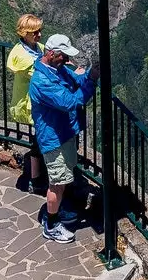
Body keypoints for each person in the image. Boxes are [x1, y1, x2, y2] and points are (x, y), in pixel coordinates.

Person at [28, 35, 98, 245]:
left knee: (64, 178)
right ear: (51, 54)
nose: (66, 59)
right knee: (57, 183)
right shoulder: (42, 82)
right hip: (54, 140)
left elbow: (77, 81)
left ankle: (59, 212)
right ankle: (51, 224)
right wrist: (92, 81)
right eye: (63, 55)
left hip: (64, 134)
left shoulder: (56, 70)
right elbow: (71, 101)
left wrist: (89, 75)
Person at [6, 13, 44, 192]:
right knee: (39, 139)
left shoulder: (39, 48)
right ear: (24, 33)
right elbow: (40, 73)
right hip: (28, 103)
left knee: (40, 137)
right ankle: (35, 180)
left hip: (38, 102)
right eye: (34, 32)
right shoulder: (21, 56)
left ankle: (37, 176)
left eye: (39, 31)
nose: (39, 35)